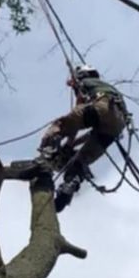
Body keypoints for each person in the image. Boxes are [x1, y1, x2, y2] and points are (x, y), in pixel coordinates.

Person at [39, 65, 128, 212]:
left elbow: (75, 119)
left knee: (60, 126)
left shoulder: (86, 83)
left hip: (102, 106)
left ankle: (45, 154)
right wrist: (72, 145)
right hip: (117, 125)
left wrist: (67, 144)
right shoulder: (108, 88)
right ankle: (69, 186)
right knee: (80, 161)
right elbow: (91, 134)